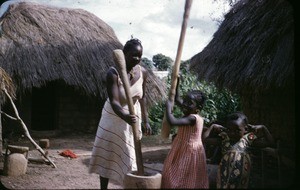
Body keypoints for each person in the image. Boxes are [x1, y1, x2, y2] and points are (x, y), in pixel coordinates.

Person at [88, 38, 152, 189]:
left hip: (132, 117)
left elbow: (142, 98)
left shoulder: (143, 72)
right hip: (113, 117)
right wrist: (124, 116)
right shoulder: (113, 73)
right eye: (133, 55)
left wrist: (146, 120)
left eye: (140, 55)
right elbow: (115, 102)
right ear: (124, 54)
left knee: (130, 155)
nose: (137, 59)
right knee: (107, 154)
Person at [203, 112, 274, 189]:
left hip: (242, 179)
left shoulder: (248, 140)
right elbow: (205, 139)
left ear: (245, 130)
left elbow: (270, 142)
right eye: (229, 130)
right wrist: (212, 126)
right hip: (225, 177)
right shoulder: (224, 139)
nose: (232, 133)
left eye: (237, 130)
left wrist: (263, 128)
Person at [161, 76, 209, 189]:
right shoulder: (189, 110)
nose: (185, 105)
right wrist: (177, 84)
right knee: (173, 172)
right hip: (181, 147)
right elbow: (177, 99)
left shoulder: (193, 118)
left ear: (198, 108)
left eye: (189, 103)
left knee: (183, 175)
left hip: (189, 151)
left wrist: (168, 108)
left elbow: (173, 121)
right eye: (185, 101)